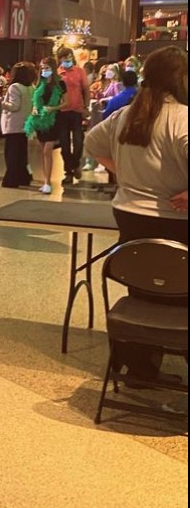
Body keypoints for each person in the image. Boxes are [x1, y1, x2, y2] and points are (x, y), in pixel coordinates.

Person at [84, 45, 188, 382]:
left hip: (128, 214)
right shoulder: (183, 119)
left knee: (143, 284)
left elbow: (91, 143)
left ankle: (140, 362)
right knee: (175, 288)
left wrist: (122, 176)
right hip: (176, 220)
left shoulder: (125, 115)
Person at [25, 56, 67, 195]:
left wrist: (53, 108)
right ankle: (45, 181)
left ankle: (48, 182)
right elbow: (35, 101)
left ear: (53, 68)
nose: (44, 71)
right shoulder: (39, 83)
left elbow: (66, 102)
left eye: (47, 68)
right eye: (42, 68)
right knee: (44, 153)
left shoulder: (60, 83)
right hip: (40, 121)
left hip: (54, 120)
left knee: (47, 151)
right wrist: (35, 109)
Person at [56, 46, 90, 185]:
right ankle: (68, 171)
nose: (66, 60)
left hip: (77, 110)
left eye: (68, 57)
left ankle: (75, 164)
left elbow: (86, 89)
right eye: (63, 58)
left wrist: (86, 107)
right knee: (64, 144)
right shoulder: (58, 73)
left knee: (78, 141)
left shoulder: (79, 72)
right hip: (62, 112)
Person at [0, 62, 36, 188]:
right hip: (25, 124)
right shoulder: (31, 88)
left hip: (13, 124)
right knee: (21, 154)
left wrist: (1, 102)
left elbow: (14, 106)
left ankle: (11, 179)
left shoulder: (14, 87)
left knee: (11, 153)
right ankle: (23, 177)